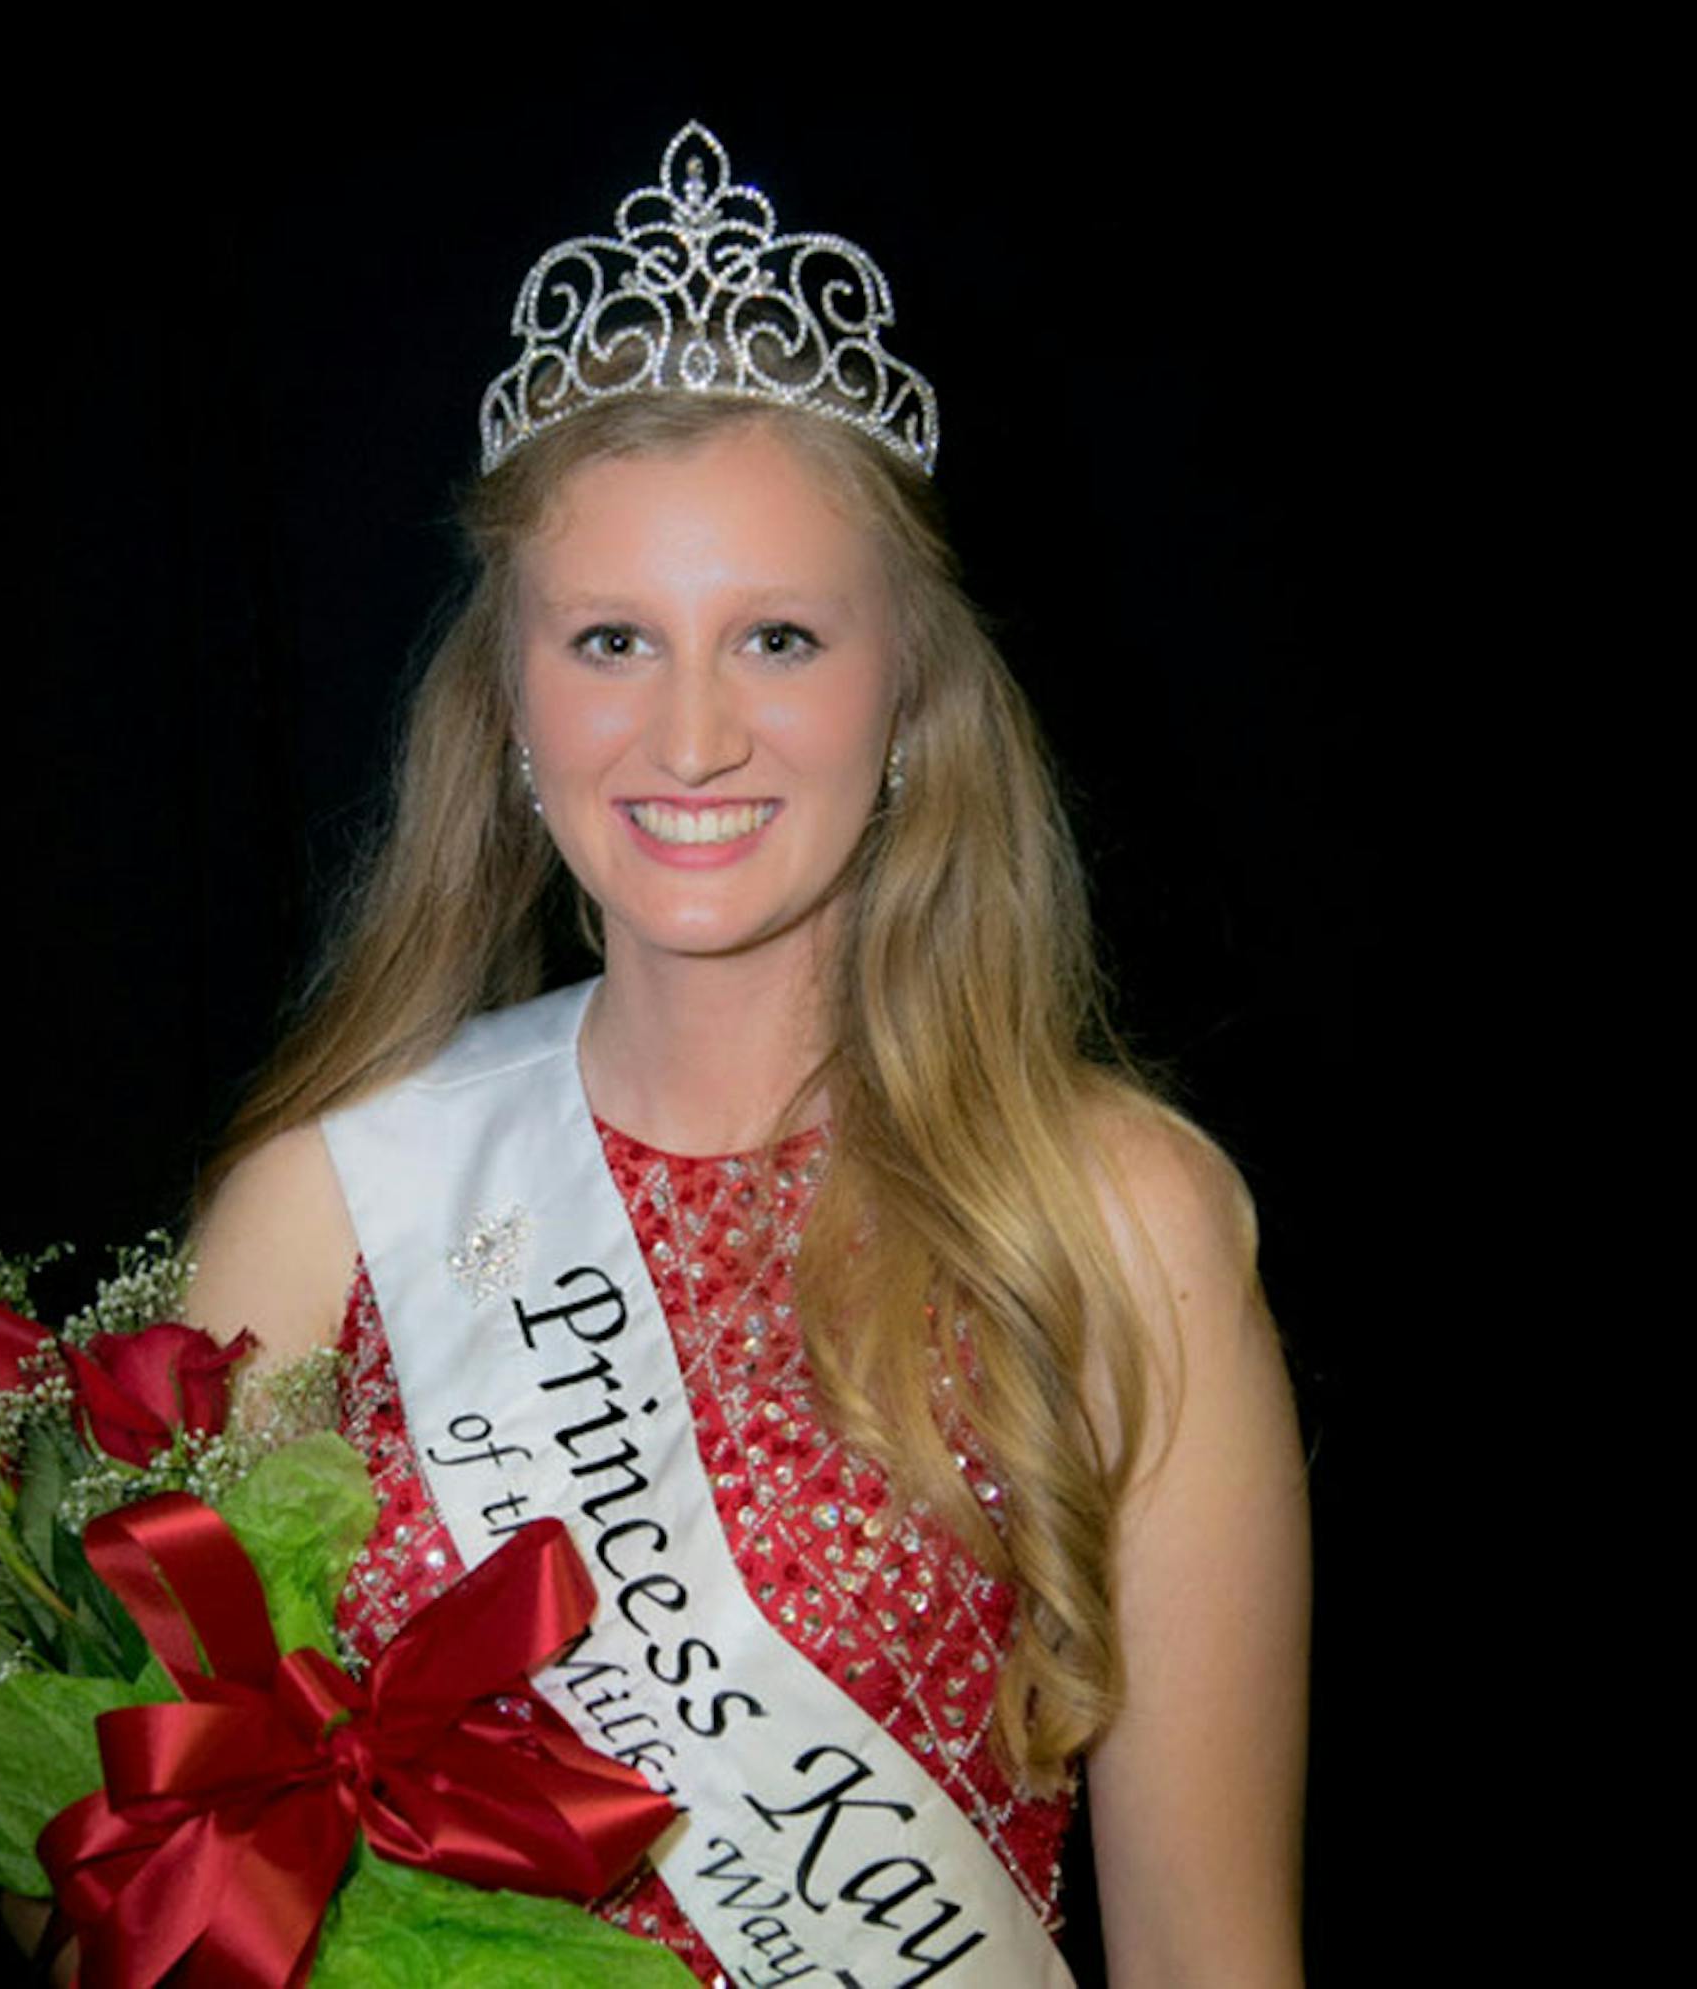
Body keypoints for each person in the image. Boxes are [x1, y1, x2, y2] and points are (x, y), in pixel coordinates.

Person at [187, 124, 1308, 1987]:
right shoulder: (322, 1208)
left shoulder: (1117, 1223)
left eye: (778, 636)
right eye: (613, 637)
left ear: (907, 695)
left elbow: (1215, 1961)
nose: (690, 735)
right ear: (513, 695)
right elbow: (155, 1907)